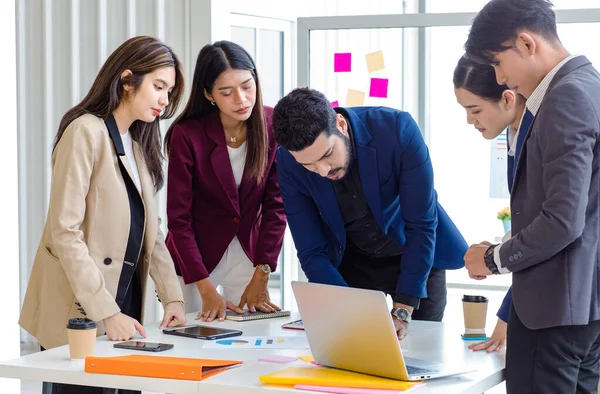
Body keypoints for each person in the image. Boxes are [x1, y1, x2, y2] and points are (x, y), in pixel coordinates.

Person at [18, 36, 187, 394]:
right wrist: (105, 311)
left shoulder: (138, 149)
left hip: (124, 304)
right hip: (83, 307)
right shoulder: (84, 132)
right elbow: (65, 231)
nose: (164, 100)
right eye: (158, 86)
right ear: (127, 80)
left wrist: (172, 295)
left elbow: (151, 234)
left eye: (169, 91)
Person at [463, 0, 600, 392]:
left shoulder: (565, 97)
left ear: (526, 43)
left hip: (552, 310)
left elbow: (562, 219)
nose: (501, 78)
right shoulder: (591, 84)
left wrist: (493, 258)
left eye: (497, 62)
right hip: (583, 311)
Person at [272, 87, 467, 340]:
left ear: (340, 124)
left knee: (422, 352)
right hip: (350, 262)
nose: (322, 171)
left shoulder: (397, 130)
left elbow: (420, 225)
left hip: (414, 255)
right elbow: (311, 250)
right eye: (308, 165)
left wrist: (404, 308)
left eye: (327, 155)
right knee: (355, 350)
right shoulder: (287, 163)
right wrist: (346, 307)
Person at [164, 40, 286, 323]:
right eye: (226, 92)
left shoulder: (271, 124)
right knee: (192, 334)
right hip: (194, 255)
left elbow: (276, 208)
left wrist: (263, 272)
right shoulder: (187, 134)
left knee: (254, 333)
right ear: (208, 94)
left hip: (248, 250)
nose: (241, 100)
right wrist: (205, 288)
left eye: (247, 86)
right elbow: (179, 219)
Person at [453, 54, 531, 353]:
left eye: (475, 110)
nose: (470, 120)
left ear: (508, 99)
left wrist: (493, 258)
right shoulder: (513, 138)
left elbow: (548, 232)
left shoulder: (537, 138)